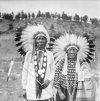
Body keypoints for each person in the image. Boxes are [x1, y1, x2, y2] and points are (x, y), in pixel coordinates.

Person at [53, 33, 95, 101]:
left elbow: (87, 76)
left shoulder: (81, 63)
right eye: (70, 50)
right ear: (66, 51)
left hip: (76, 91)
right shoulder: (62, 62)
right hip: (63, 91)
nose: (72, 52)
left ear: (77, 52)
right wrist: (60, 92)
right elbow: (56, 78)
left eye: (74, 50)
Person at [19, 23, 55, 101]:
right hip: (31, 89)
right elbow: (25, 72)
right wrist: (24, 88)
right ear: (35, 41)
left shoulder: (50, 54)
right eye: (39, 39)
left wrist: (48, 80)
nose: (41, 40)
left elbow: (53, 70)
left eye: (43, 38)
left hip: (46, 89)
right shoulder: (29, 54)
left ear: (46, 41)